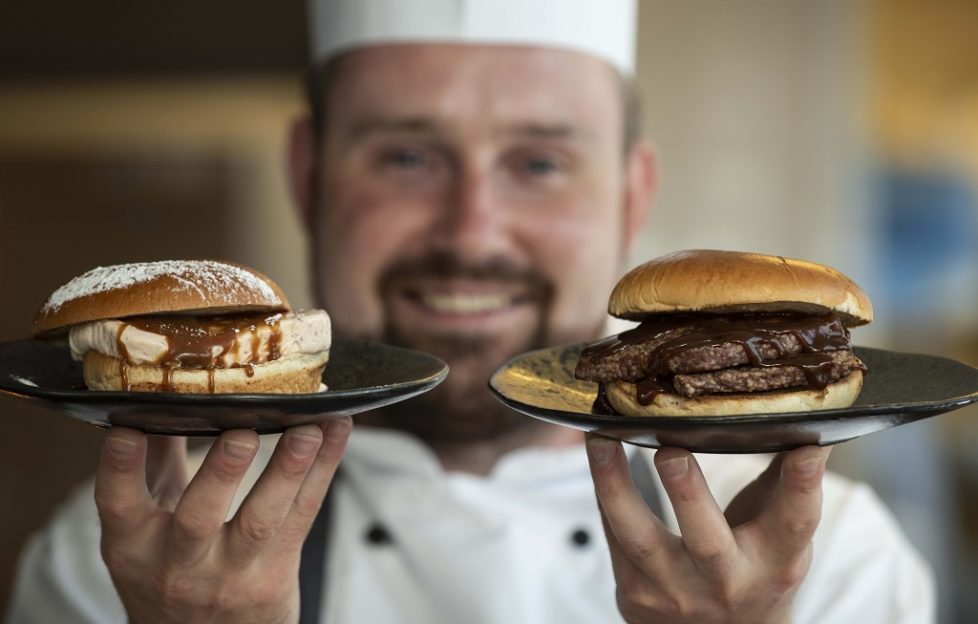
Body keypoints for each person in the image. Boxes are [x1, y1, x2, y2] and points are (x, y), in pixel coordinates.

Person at [7, 1, 935, 622]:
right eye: (406, 157)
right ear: (307, 178)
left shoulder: (834, 564)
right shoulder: (118, 559)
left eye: (539, 163)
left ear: (630, 196)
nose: (471, 229)